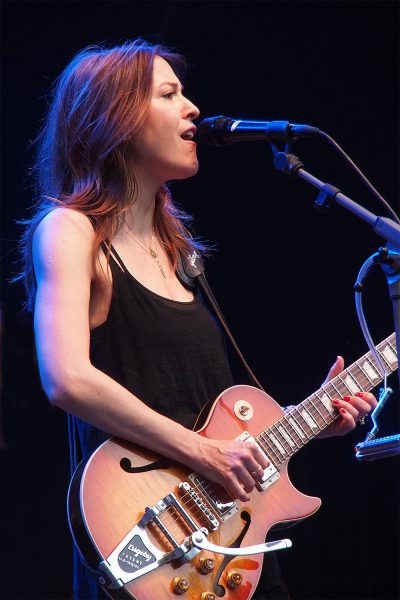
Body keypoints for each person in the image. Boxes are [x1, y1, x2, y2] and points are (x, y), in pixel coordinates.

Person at [17, 40, 376, 600]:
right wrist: (204, 452)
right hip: (149, 534)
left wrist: (310, 423)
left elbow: (211, 417)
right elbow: (66, 377)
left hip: (233, 547)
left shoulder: (180, 252)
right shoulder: (70, 231)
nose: (193, 108)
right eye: (169, 94)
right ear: (116, 119)